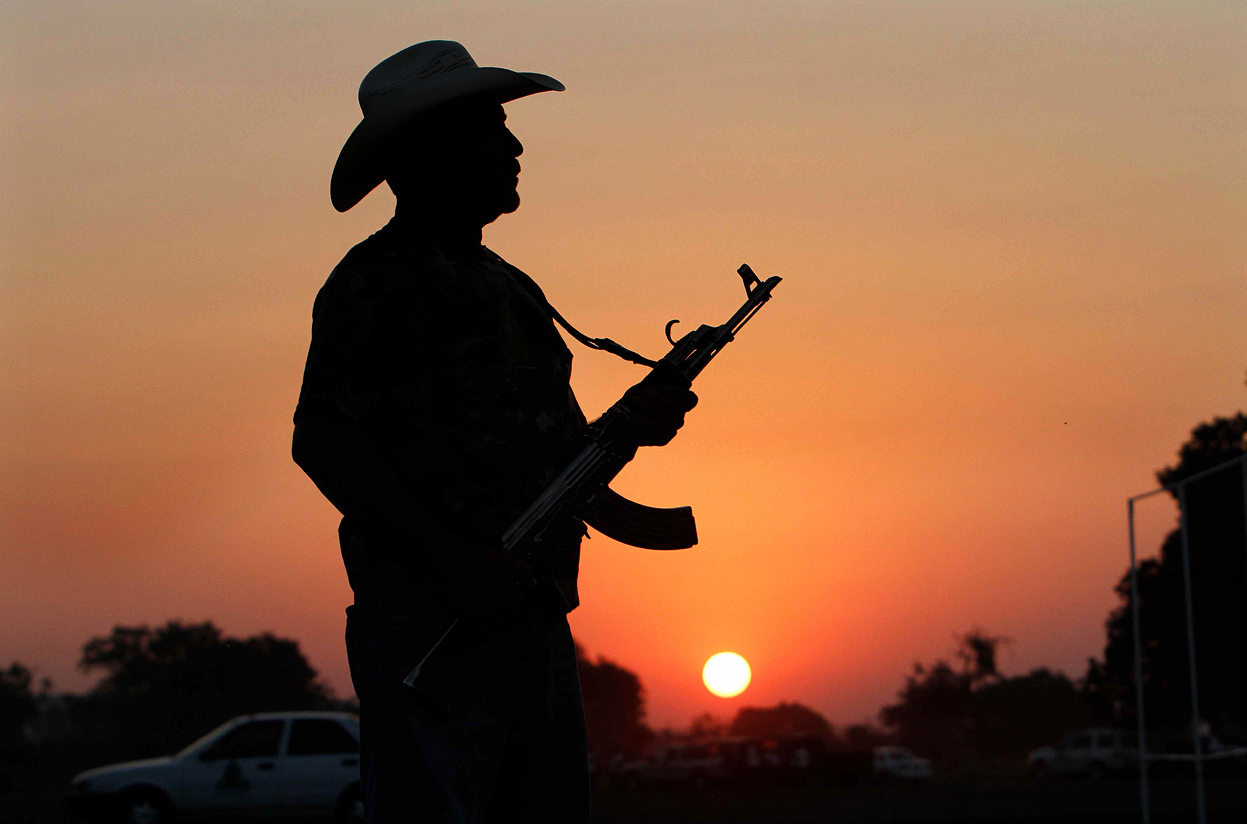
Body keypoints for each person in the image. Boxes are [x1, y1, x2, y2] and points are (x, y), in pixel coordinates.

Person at [292, 41, 697, 824]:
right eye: (491, 127)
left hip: (531, 618)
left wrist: (630, 433)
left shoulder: (510, 289)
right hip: (429, 627)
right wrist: (454, 561)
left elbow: (555, 463)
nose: (514, 147)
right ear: (427, 148)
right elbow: (325, 439)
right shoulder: (375, 280)